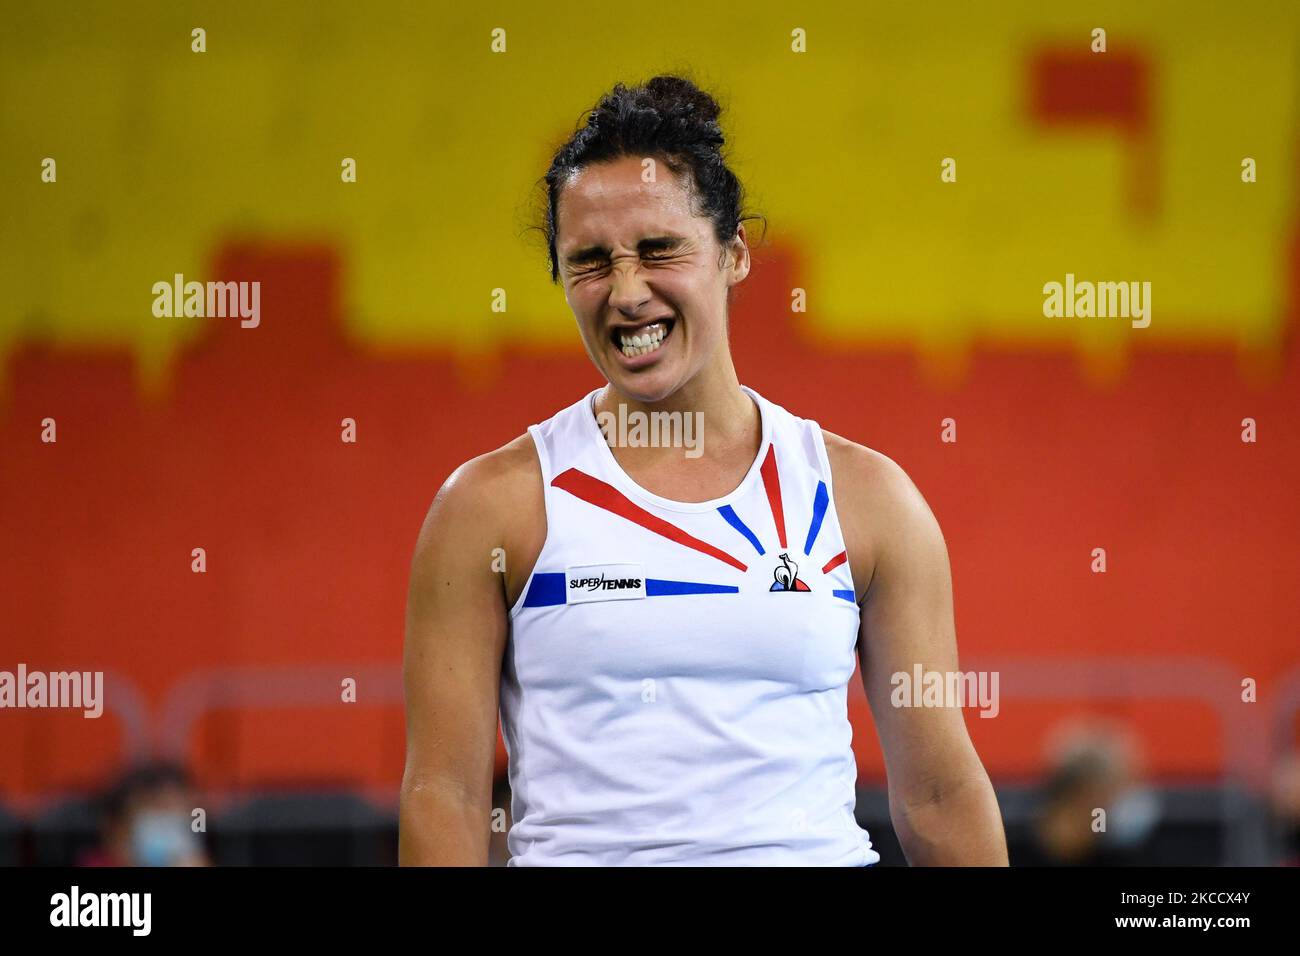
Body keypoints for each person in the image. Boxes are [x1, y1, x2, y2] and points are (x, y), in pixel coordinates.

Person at [400, 73, 1007, 866]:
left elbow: (938, 794)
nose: (625, 292)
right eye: (588, 262)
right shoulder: (490, 510)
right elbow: (444, 796)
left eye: (658, 250)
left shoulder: (867, 500)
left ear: (734, 254)